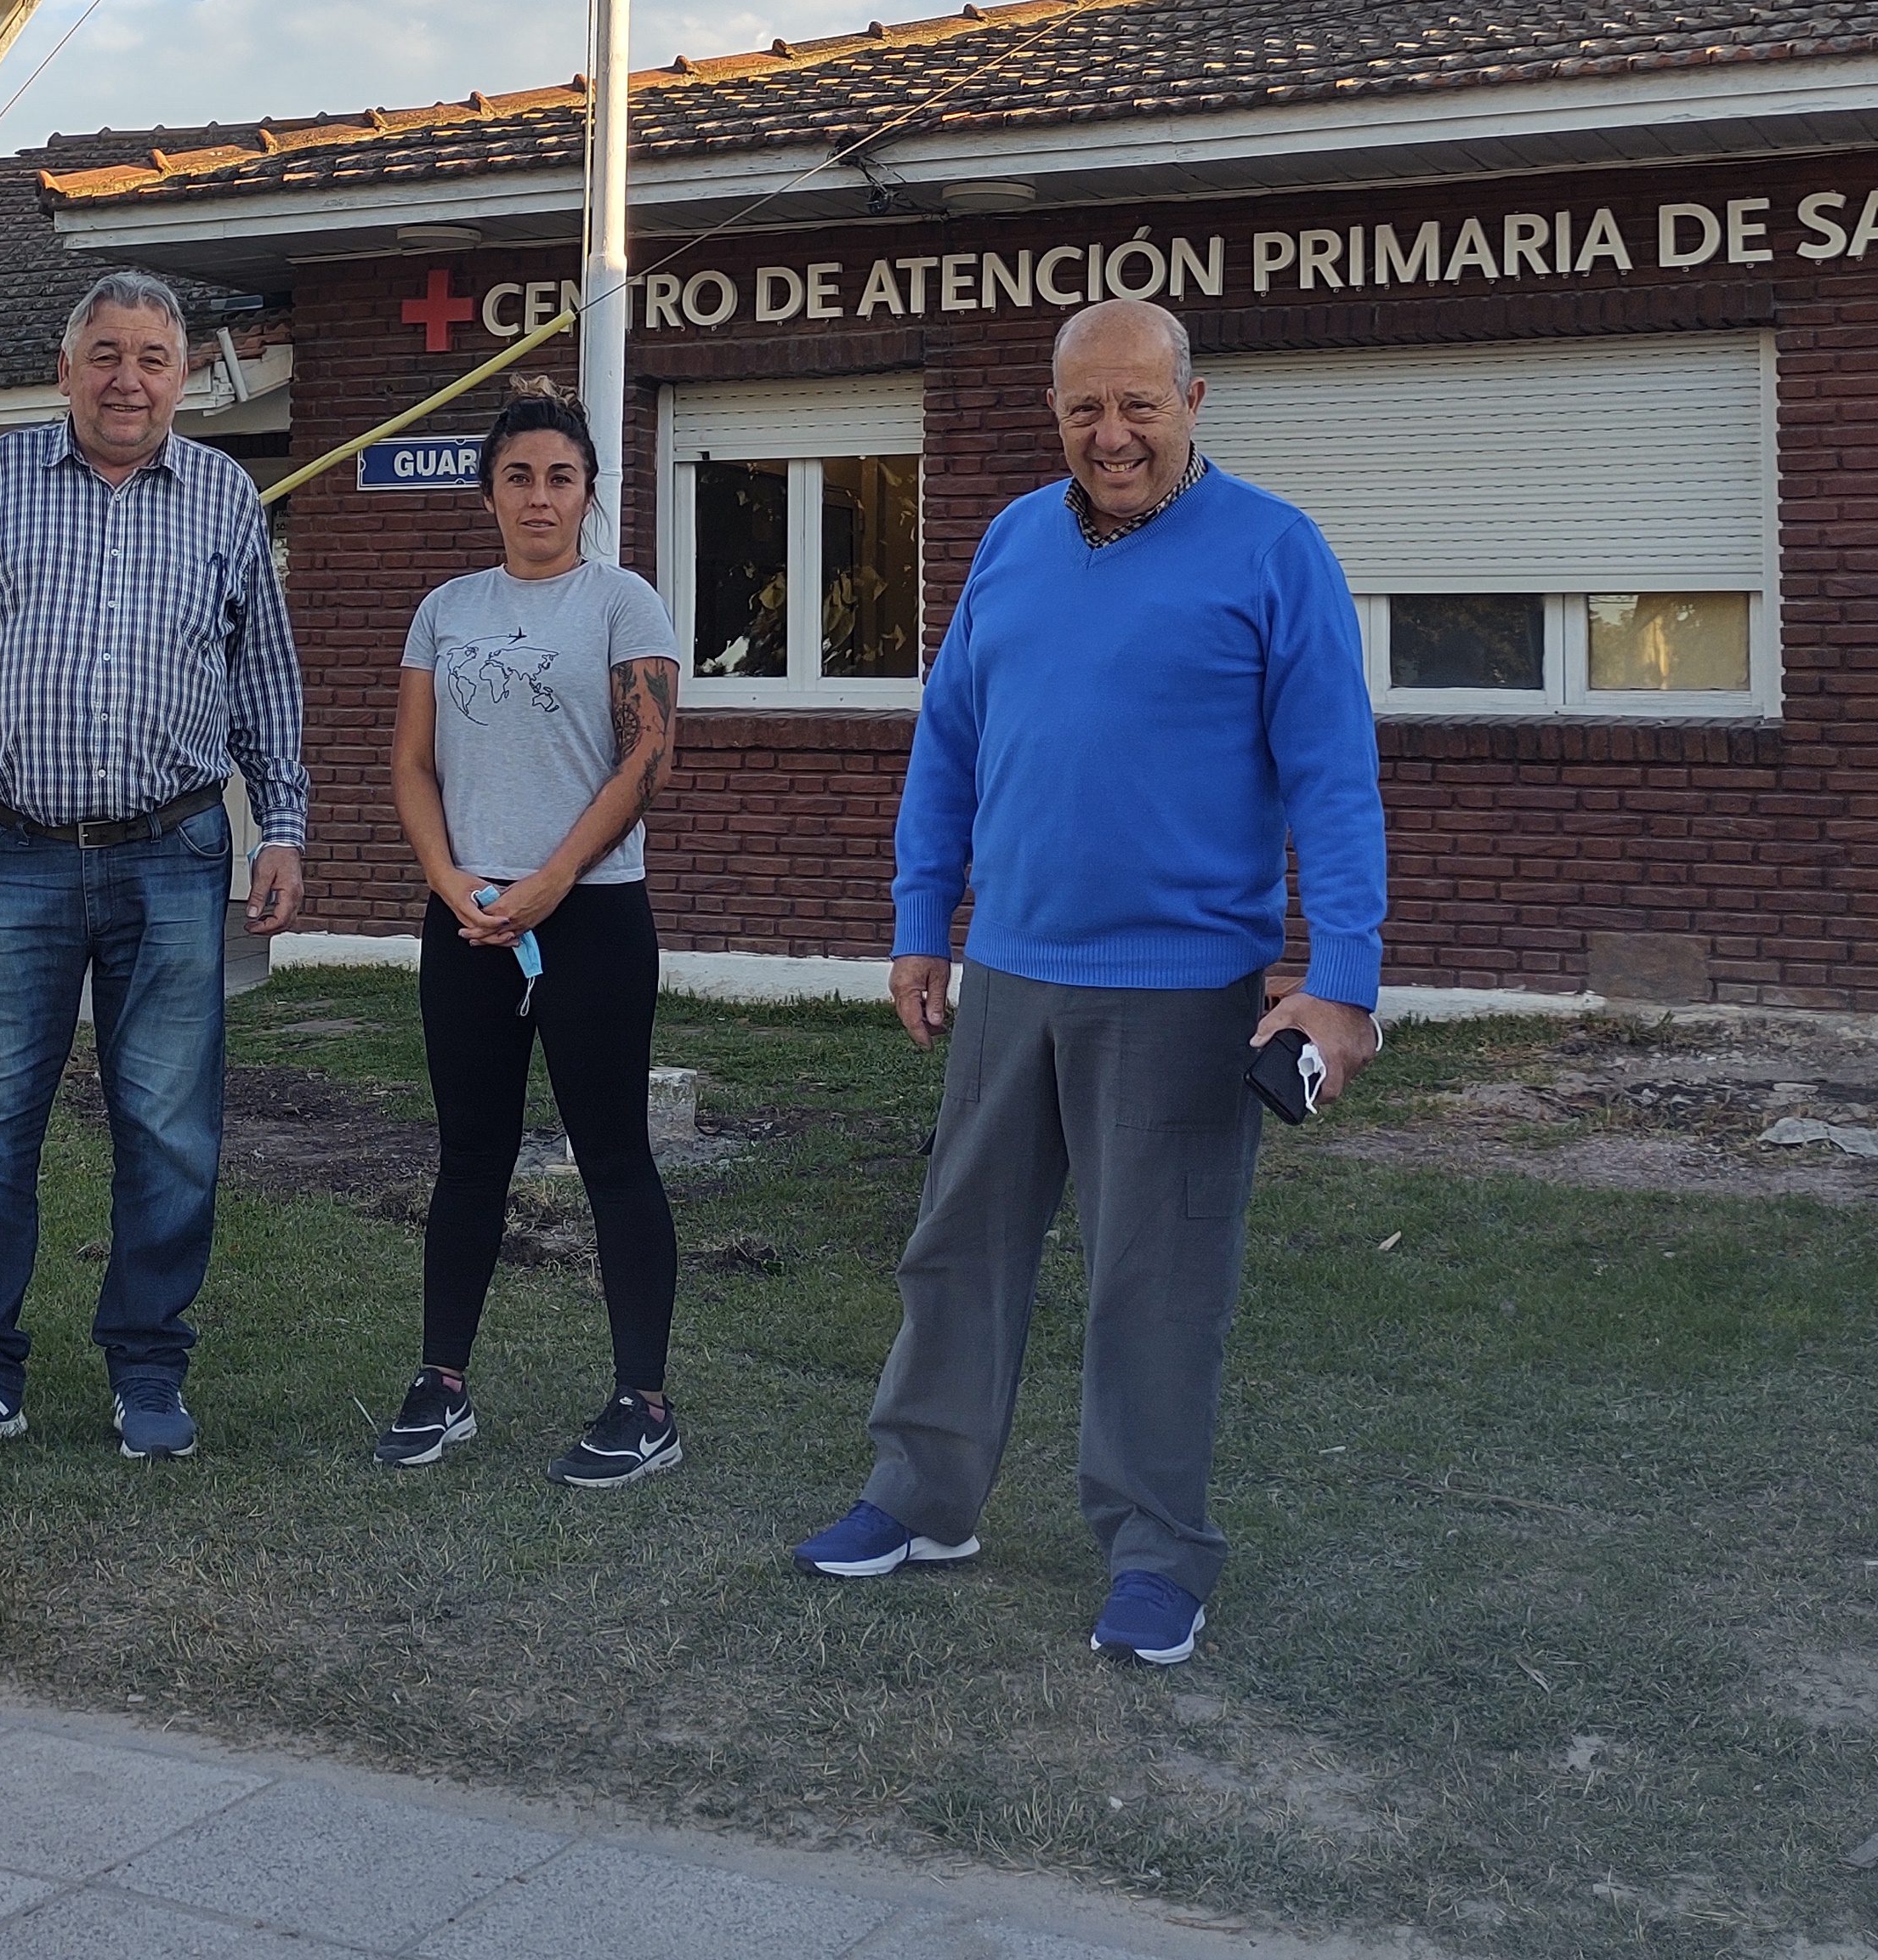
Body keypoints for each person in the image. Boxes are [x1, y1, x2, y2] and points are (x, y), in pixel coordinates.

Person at [791, 298, 1387, 1668]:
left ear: (1193, 402)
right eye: (1082, 410)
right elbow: (948, 742)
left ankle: (1157, 1555)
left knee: (1154, 1285)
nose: (1110, 434)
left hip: (1182, 990)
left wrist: (1342, 978)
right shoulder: (1011, 541)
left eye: (1138, 405)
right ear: (1055, 413)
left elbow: (1334, 783)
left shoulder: (1273, 551)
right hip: (1009, 969)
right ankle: (923, 1499)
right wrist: (919, 916)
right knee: (958, 1254)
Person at [0, 271, 306, 1467]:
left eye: (153, 359)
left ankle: (149, 1366)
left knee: (168, 1129)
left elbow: (265, 677)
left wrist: (284, 823)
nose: (129, 379)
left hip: (173, 854)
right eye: (106, 355)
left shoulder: (224, 497)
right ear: (67, 370)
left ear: (185, 378)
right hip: (11, 850)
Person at [377, 385, 686, 1487]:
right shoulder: (445, 610)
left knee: (612, 1155)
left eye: (560, 477)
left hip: (589, 914)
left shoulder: (622, 603)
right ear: (490, 493)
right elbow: (413, 762)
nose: (540, 497)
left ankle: (643, 1403)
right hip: (468, 917)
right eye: (519, 477)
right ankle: (442, 1382)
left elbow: (645, 760)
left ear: (589, 493)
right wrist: (449, 880)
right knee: (470, 1155)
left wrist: (556, 878)